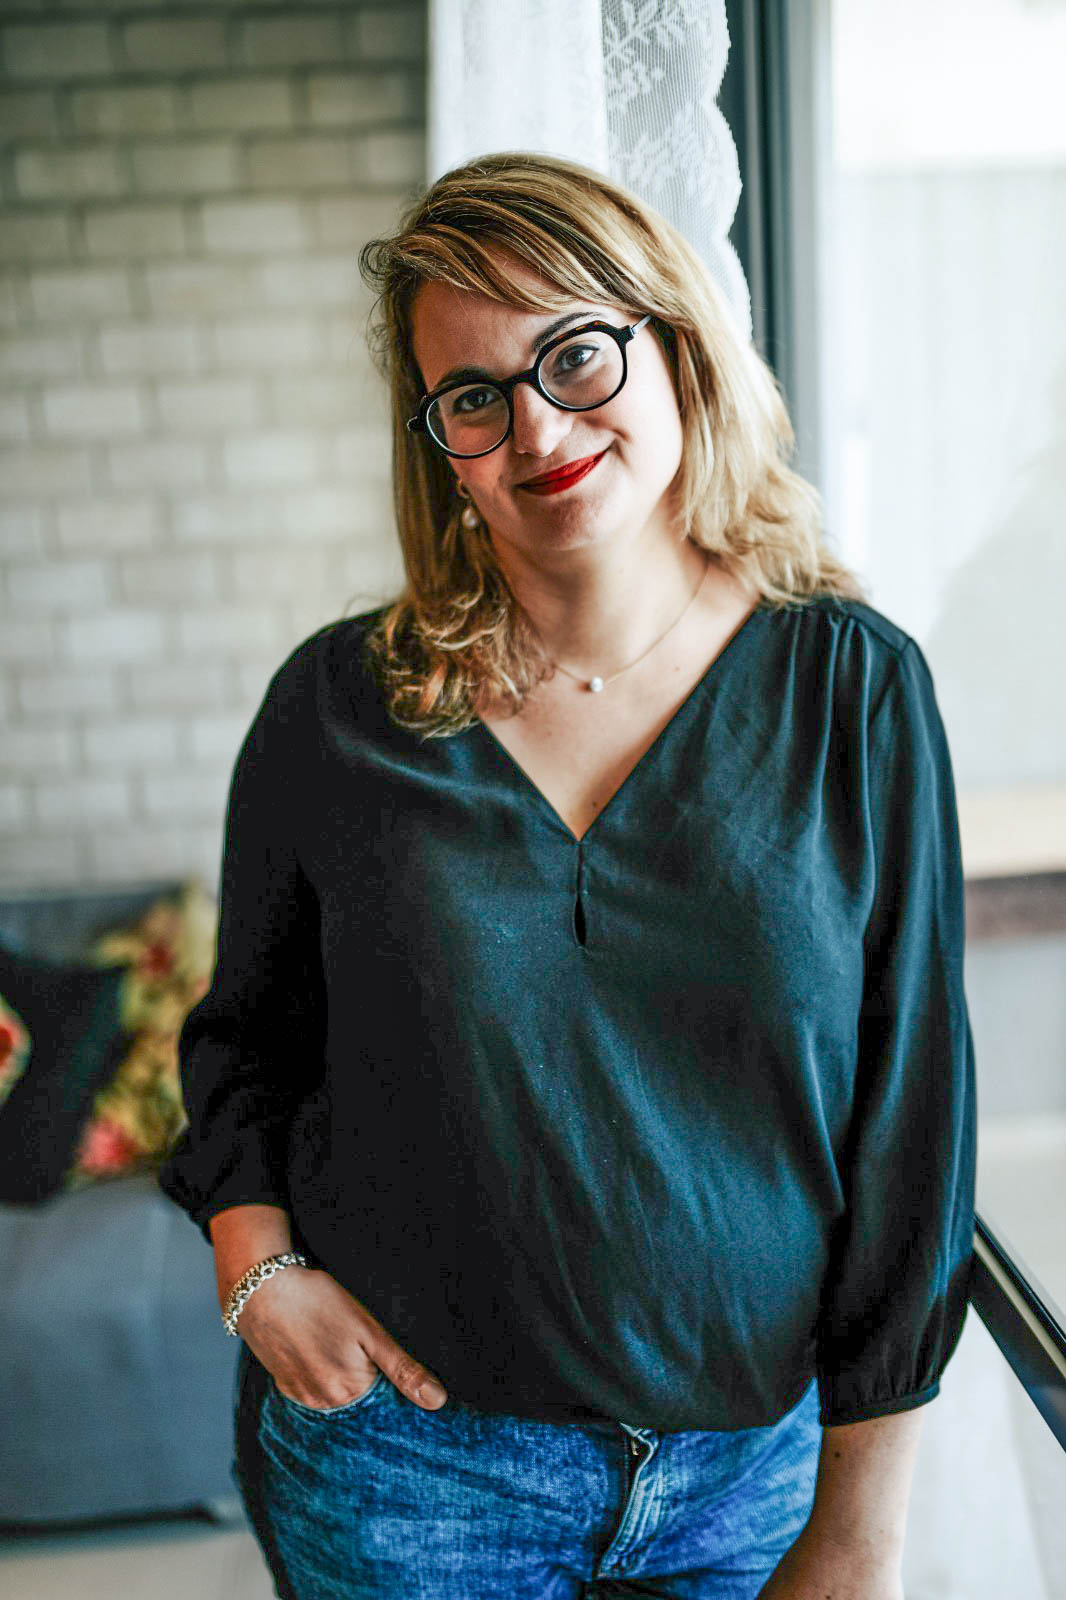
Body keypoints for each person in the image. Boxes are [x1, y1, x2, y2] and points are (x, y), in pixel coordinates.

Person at [159, 152, 976, 1600]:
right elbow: (245, 1044)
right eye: (473, 396)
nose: (536, 425)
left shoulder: (851, 691)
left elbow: (909, 1120)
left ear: (675, 348)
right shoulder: (338, 710)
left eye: (575, 354)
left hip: (753, 1482)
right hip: (411, 1477)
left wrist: (860, 1529)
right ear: (439, 444)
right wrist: (257, 1271)